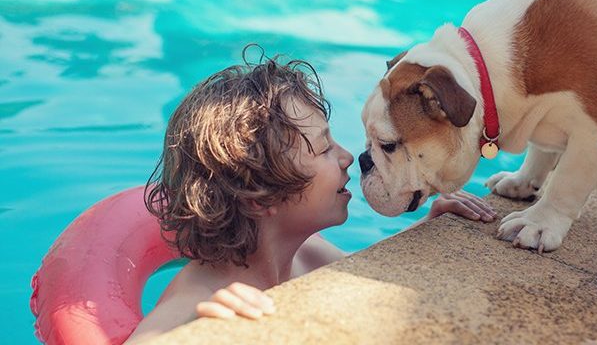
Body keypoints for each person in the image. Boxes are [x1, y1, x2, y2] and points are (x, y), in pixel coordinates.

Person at [125, 51, 496, 344]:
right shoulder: (198, 300)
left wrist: (427, 228)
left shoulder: (307, 253)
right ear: (259, 197)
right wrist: (195, 329)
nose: (348, 157)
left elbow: (374, 281)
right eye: (323, 149)